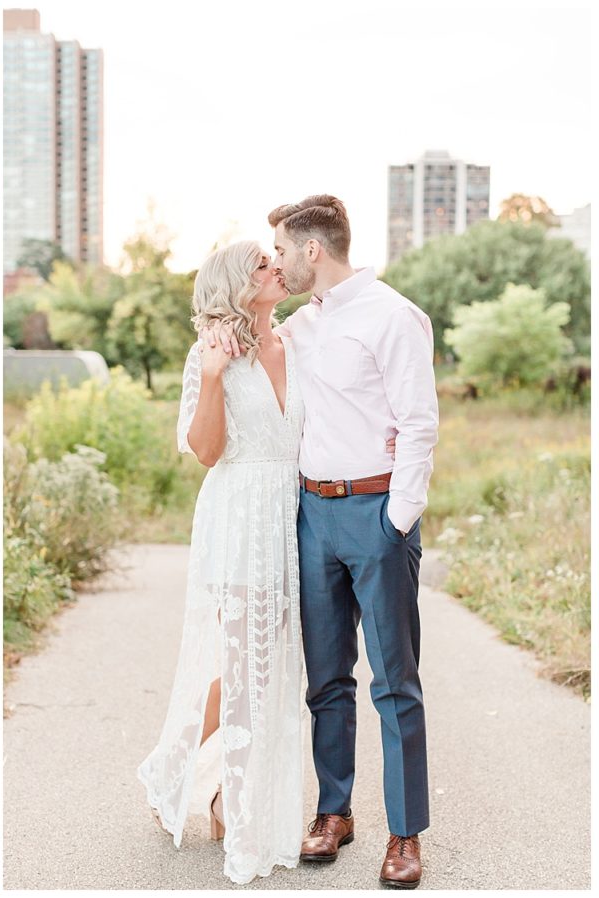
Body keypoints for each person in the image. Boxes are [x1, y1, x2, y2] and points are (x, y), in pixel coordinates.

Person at [211, 195, 438, 888]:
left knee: (395, 681)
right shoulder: (301, 327)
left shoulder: (394, 317)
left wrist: (396, 518)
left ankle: (405, 834)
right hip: (310, 515)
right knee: (326, 681)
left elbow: (419, 423)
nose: (276, 260)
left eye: (281, 249)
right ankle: (333, 812)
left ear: (313, 250)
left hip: (375, 515)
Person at [138, 241, 305, 884]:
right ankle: (225, 801)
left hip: (295, 516)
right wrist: (210, 376)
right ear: (239, 284)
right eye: (263, 264)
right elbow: (207, 451)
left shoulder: (298, 343)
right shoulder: (213, 357)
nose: (276, 268)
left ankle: (177, 768)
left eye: (275, 260)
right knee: (247, 663)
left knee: (271, 666)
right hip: (240, 514)